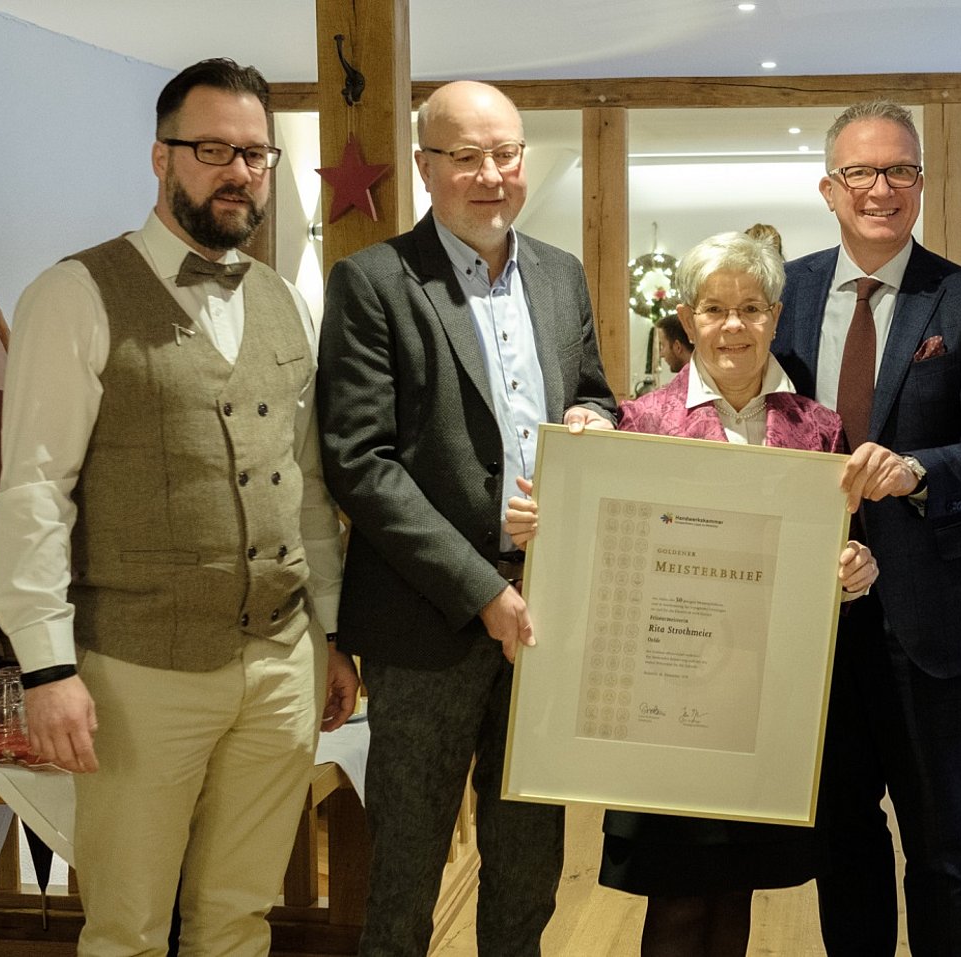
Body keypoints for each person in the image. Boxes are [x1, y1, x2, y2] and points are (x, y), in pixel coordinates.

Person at [0, 58, 357, 956]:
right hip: (136, 669)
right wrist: (47, 668)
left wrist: (331, 633)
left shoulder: (284, 301)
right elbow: (35, 492)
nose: (238, 172)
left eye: (256, 154)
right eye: (212, 149)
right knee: (129, 926)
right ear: (161, 157)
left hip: (281, 662)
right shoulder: (75, 294)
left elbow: (306, 485)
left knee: (240, 917)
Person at [505, 230, 879, 957]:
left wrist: (855, 570)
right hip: (665, 702)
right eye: (713, 309)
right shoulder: (638, 423)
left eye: (751, 308)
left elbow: (831, 558)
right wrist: (544, 528)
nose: (733, 326)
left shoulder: (818, 429)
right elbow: (595, 547)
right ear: (686, 318)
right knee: (676, 899)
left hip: (760, 706)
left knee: (734, 894)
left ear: (775, 315)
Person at [316, 80, 617, 956]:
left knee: (529, 867)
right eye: (466, 157)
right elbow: (360, 462)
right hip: (426, 623)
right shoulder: (373, 281)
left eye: (507, 154)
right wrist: (482, 590)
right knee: (405, 875)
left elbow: (594, 392)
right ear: (424, 166)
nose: (491, 175)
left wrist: (596, 420)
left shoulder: (559, 274)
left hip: (548, 615)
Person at [771, 99, 961, 956]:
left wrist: (919, 469)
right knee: (842, 839)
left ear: (921, 183)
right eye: (861, 172)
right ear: (829, 188)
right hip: (814, 616)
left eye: (900, 171)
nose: (880, 189)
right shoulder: (784, 294)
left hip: (935, 618)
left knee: (946, 850)